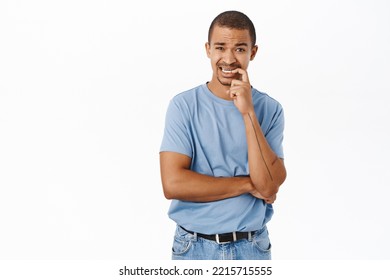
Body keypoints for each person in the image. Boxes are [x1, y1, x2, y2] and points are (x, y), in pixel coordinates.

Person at [159, 10, 287, 260]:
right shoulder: (184, 105)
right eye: (220, 47)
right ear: (208, 49)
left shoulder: (269, 109)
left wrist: (248, 112)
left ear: (253, 52)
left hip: (251, 247)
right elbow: (173, 184)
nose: (228, 59)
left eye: (239, 49)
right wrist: (250, 184)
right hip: (193, 247)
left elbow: (270, 183)